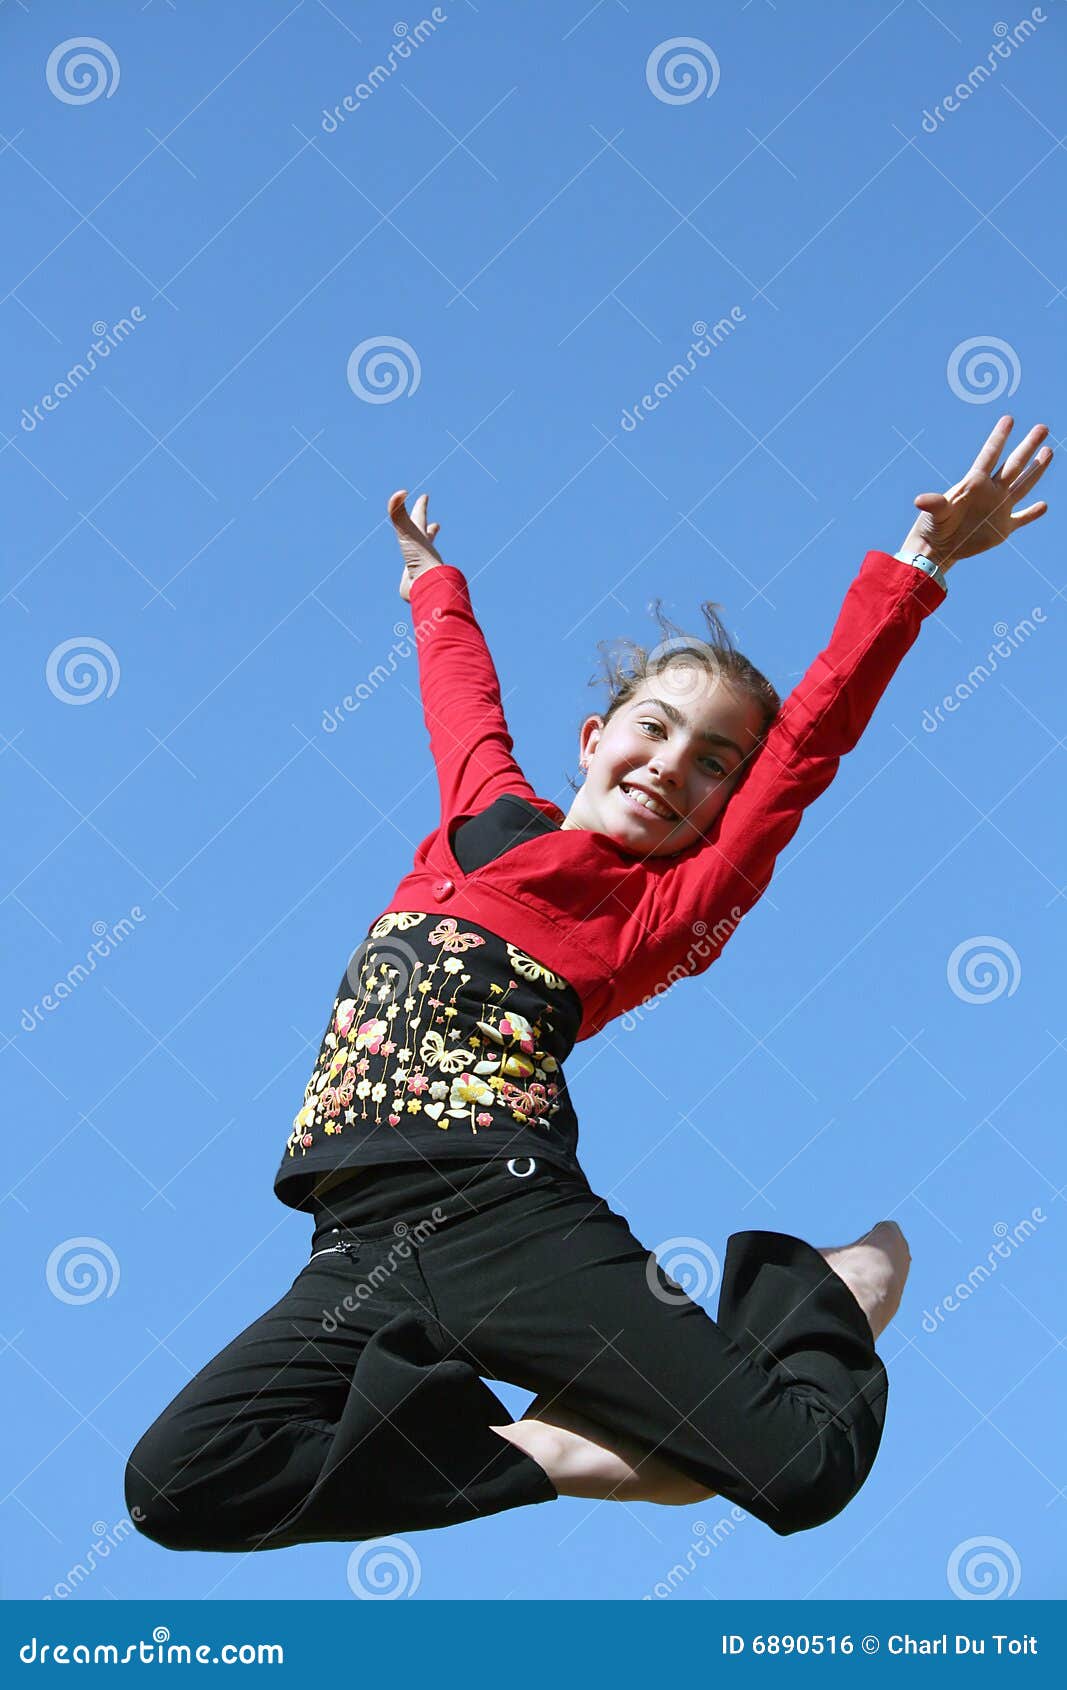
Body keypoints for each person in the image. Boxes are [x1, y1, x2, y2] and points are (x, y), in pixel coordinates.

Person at [125, 416, 1052, 1555]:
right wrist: (430, 582)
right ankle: (544, 1451)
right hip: (353, 1241)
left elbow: (810, 740)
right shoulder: (481, 823)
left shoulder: (659, 909)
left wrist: (917, 568)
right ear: (593, 736)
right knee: (180, 1484)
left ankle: (821, 1286)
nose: (673, 766)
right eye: (655, 730)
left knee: (800, 1468)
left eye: (714, 764)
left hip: (503, 1213)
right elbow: (458, 698)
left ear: (724, 808)